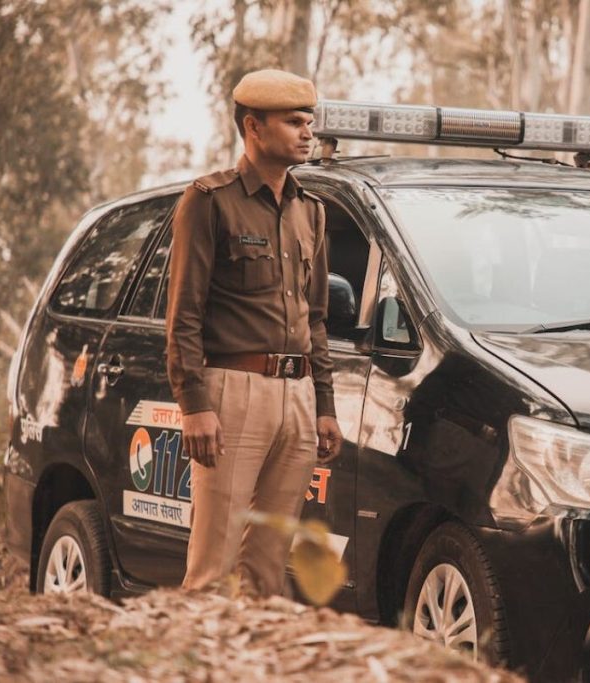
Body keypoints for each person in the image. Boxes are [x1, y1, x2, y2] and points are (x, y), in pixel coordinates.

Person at [166, 68, 342, 596]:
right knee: (213, 567)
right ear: (254, 127)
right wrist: (194, 405)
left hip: (298, 396)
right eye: (293, 122)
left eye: (309, 121)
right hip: (233, 393)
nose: (307, 132)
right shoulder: (209, 200)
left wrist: (324, 404)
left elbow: (315, 318)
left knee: (267, 574)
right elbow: (185, 314)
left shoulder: (311, 211)